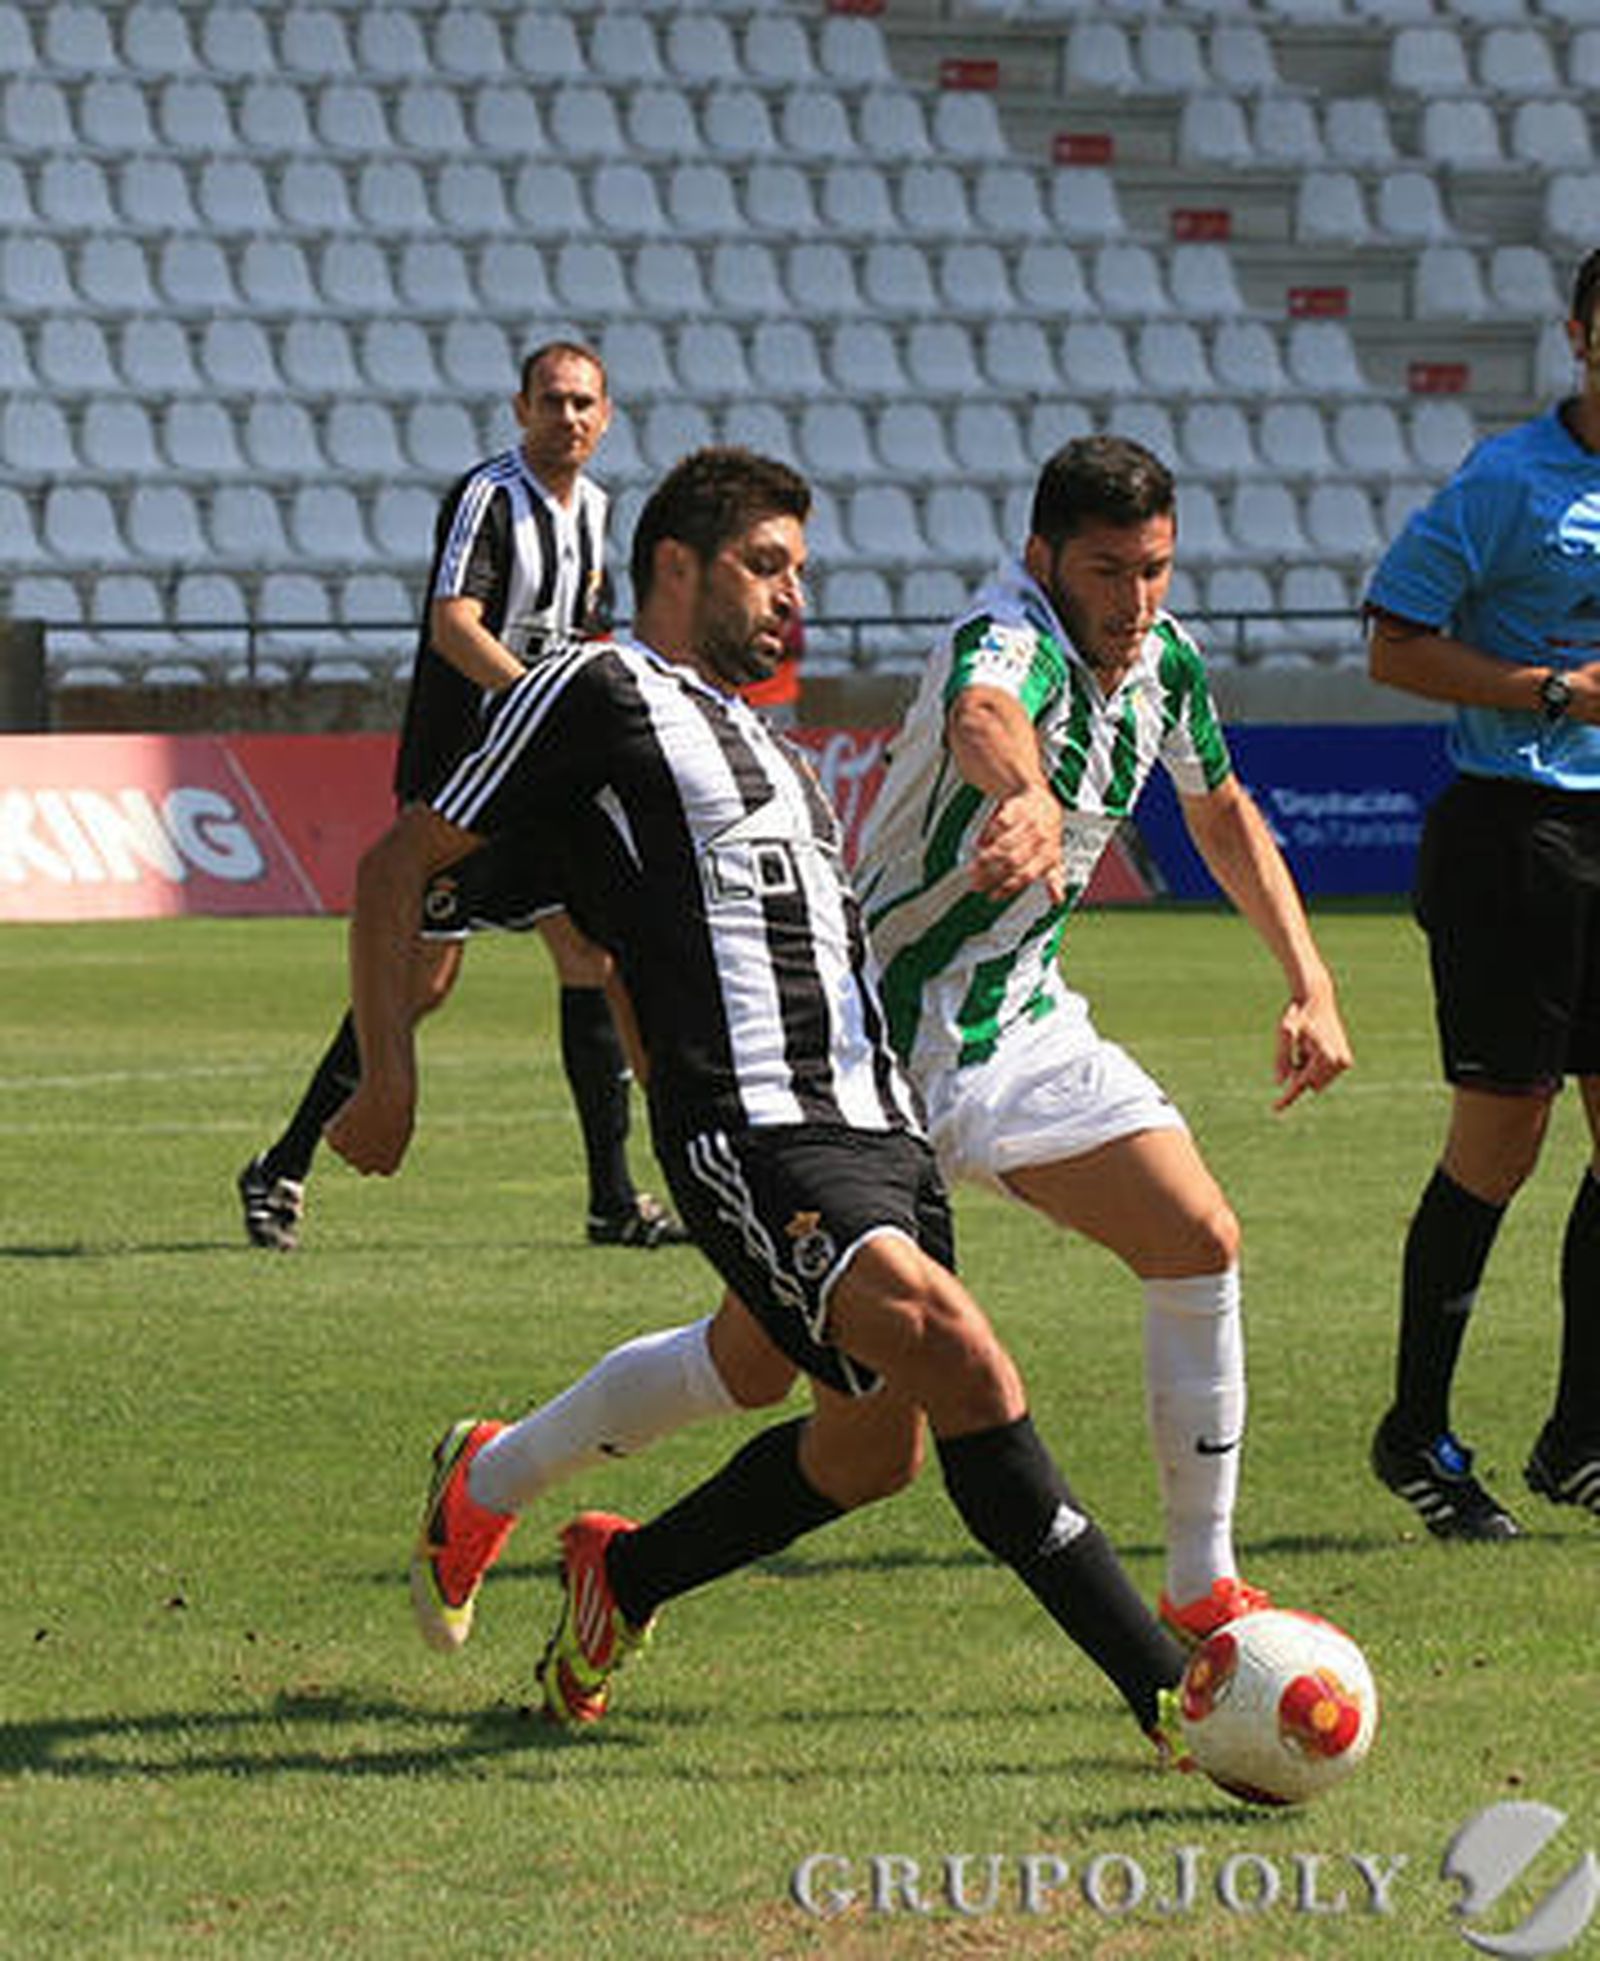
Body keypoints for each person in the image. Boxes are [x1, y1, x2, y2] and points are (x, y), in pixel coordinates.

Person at [408, 436, 1352, 1655]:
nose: (1135, 600)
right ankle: (499, 1480)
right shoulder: (1002, 633)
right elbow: (983, 711)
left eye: (1155, 570)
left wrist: (1310, 979)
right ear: (1041, 559)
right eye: (1109, 571)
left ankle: (1201, 1585)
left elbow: (1219, 812)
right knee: (753, 1370)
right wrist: (1024, 792)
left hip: (1017, 1019)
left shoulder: (1163, 661)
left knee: (1197, 1235)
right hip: (868, 1043)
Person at [237, 341, 685, 1254]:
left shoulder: (594, 510)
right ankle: (280, 1163)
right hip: (465, 778)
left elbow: (584, 636)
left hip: (547, 781)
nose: (569, 418)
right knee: (423, 982)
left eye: (584, 403)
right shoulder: (488, 497)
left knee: (589, 957)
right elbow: (453, 626)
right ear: (520, 407)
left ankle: (612, 1199)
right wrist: (536, 702)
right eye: (552, 401)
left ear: (608, 415)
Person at [1365, 247, 1600, 1539]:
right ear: (1580, 336)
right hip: (1520, 833)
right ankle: (1416, 1432)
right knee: (1501, 1144)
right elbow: (1395, 642)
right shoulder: (1511, 481)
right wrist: (1549, 690)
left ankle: (1579, 1436)